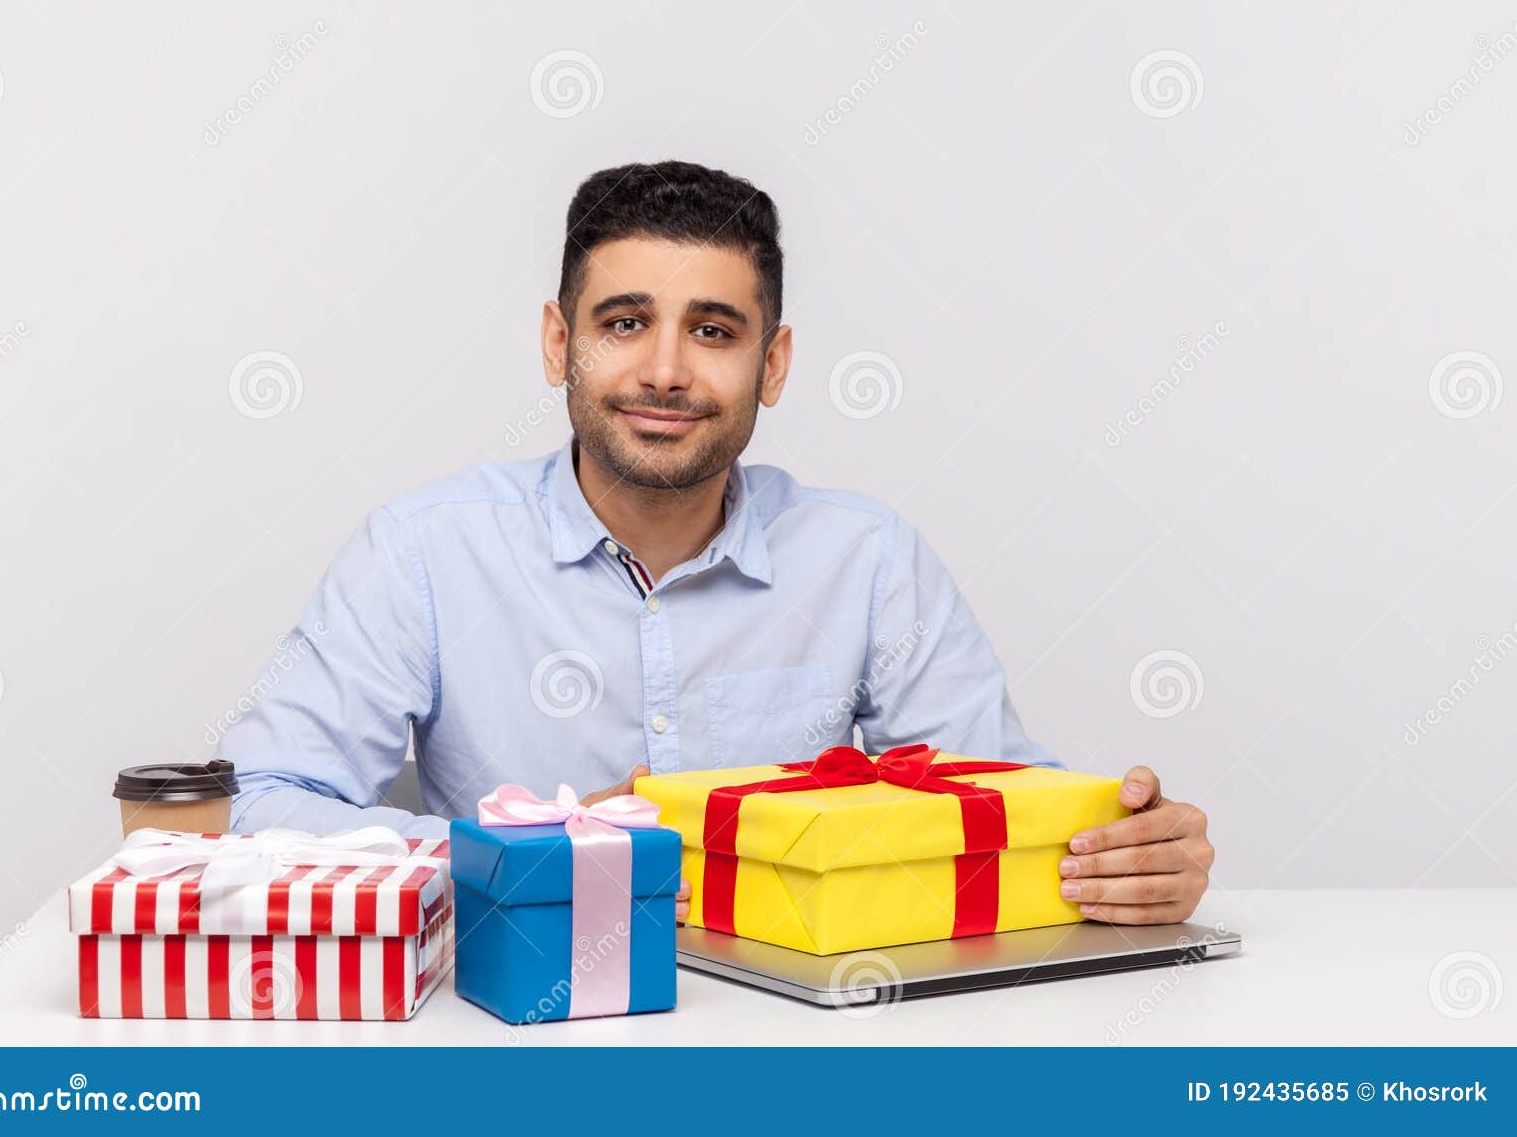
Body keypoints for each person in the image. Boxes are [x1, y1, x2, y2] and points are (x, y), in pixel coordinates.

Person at [222, 160, 1214, 926]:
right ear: (558, 344)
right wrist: (533, 849)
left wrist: (1123, 856)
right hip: (524, 1025)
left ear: (771, 362)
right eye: (622, 322)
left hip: (809, 1043)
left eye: (711, 330)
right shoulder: (421, 552)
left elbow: (995, 809)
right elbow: (258, 804)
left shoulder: (866, 560)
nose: (663, 371)